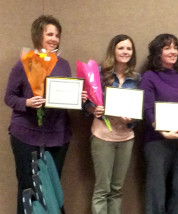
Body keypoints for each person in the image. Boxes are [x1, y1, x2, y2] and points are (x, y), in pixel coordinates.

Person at [4, 15, 87, 214]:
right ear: (38, 36)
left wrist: (78, 97)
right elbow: (9, 97)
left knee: (52, 188)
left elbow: (64, 96)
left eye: (57, 35)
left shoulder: (63, 64)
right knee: (27, 187)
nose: (54, 39)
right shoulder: (24, 63)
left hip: (58, 135)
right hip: (25, 134)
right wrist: (27, 102)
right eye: (49, 34)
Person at [139, 34, 178, 214]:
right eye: (167, 48)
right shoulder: (149, 77)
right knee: (156, 191)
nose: (173, 51)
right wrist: (162, 131)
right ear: (158, 52)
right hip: (157, 141)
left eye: (175, 47)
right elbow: (147, 109)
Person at [85, 34, 140, 214]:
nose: (125, 52)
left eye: (129, 48)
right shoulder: (99, 74)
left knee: (117, 189)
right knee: (102, 189)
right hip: (103, 137)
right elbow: (85, 103)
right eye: (121, 48)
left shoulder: (137, 78)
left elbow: (141, 110)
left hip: (126, 138)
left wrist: (133, 118)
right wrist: (94, 110)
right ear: (113, 50)